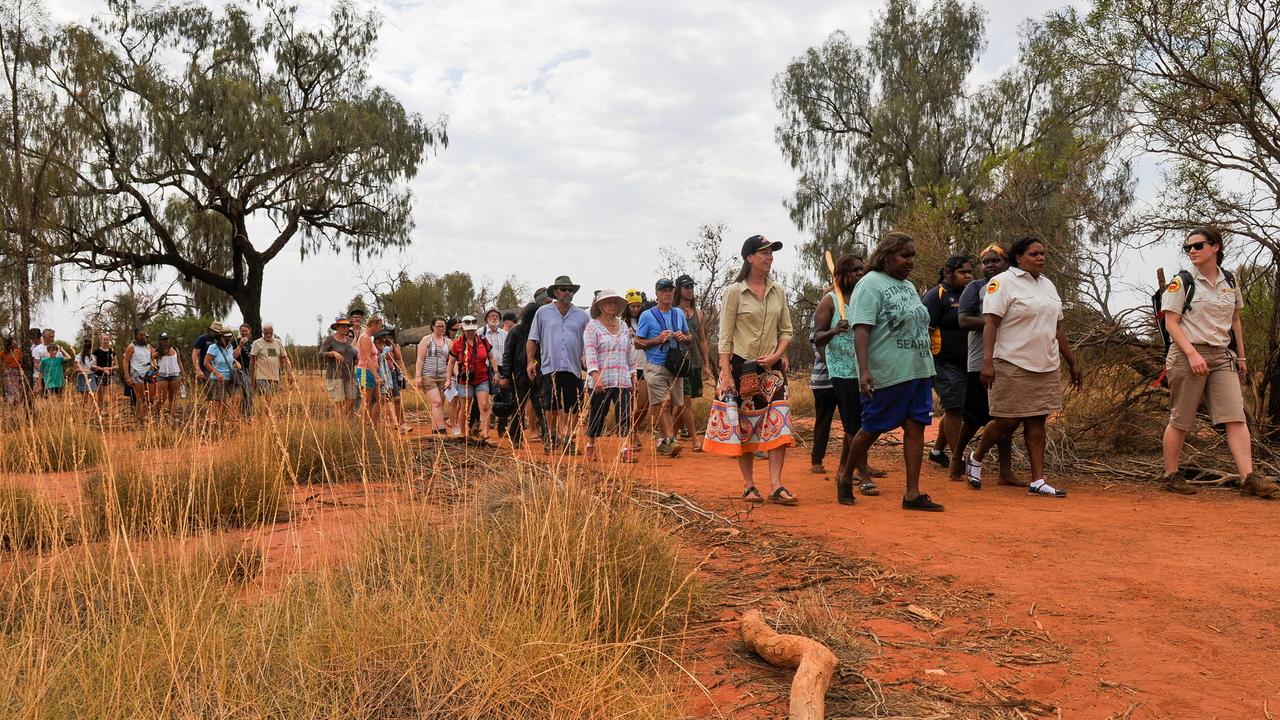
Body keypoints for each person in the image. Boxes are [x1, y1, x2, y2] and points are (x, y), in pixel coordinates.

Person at [1159, 228, 1275, 498]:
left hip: (1222, 356)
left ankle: (1249, 478)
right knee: (1181, 418)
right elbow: (1171, 323)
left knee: (1235, 417)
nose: (1192, 251)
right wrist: (1191, 354)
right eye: (1188, 247)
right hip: (1188, 354)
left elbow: (1235, 321)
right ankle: (1171, 475)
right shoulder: (1182, 281)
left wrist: (1242, 356)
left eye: (1198, 246)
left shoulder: (1230, 281)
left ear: (1216, 247)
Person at [965, 236, 1082, 497]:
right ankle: (976, 456)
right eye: (1034, 254)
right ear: (1019, 258)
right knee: (1007, 420)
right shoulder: (1002, 283)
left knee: (1037, 420)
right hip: (1010, 361)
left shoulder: (1048, 285)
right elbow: (991, 324)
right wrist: (987, 362)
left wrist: (1072, 361)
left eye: (1043, 254)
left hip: (1045, 363)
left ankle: (1038, 480)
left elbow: (1058, 327)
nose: (1040, 258)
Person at [840, 232, 944, 511]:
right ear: (886, 257)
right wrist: (864, 371)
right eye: (904, 256)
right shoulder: (870, 284)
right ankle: (846, 475)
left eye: (912, 256)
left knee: (916, 426)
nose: (910, 261)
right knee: (873, 427)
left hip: (918, 369)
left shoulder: (909, 286)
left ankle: (912, 493)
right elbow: (861, 329)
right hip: (888, 371)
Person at [705, 235, 797, 504]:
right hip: (740, 366)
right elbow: (725, 336)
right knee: (744, 425)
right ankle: (749, 485)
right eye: (763, 253)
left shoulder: (777, 291)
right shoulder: (735, 292)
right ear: (749, 258)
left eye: (771, 253)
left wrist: (778, 355)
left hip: (773, 368)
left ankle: (777, 485)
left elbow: (787, 330)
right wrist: (725, 372)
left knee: (779, 423)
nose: (769, 257)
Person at [948, 244, 1016, 487]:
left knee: (1004, 417)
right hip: (981, 362)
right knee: (975, 417)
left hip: (1009, 359)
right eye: (986, 262)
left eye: (995, 261)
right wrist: (995, 322)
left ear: (1007, 263)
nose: (990, 266)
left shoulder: (1015, 285)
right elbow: (964, 320)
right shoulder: (974, 288)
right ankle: (957, 456)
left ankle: (1005, 471)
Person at [814, 254, 877, 503]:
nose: (860, 274)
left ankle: (844, 469)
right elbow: (817, 337)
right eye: (854, 271)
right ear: (842, 275)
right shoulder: (830, 301)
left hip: (866, 369)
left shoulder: (866, 297)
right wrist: (834, 330)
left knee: (863, 424)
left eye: (862, 270)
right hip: (842, 370)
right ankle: (860, 472)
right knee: (854, 425)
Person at [526, 275, 590, 454]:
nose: (567, 293)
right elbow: (533, 339)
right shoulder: (543, 313)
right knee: (550, 405)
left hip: (573, 366)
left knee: (573, 405)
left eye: (570, 290)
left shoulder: (582, 316)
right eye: (563, 289)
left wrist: (586, 355)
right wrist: (531, 362)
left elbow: (589, 341)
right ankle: (551, 435)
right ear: (555, 292)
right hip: (549, 366)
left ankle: (568, 437)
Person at [922, 254, 974, 469]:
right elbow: (924, 330)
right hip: (942, 362)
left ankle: (936, 452)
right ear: (948, 273)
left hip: (968, 362)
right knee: (954, 409)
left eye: (970, 272)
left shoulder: (970, 294)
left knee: (957, 408)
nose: (968, 276)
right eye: (963, 272)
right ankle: (957, 458)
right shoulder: (936, 296)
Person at [635, 278, 691, 458]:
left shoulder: (678, 314)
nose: (668, 293)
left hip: (675, 366)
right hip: (655, 365)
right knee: (663, 402)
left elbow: (690, 337)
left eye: (670, 290)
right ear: (657, 293)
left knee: (674, 404)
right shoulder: (647, 315)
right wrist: (657, 340)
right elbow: (637, 342)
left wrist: (684, 337)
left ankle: (661, 441)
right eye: (664, 290)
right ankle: (670, 440)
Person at [583, 290, 637, 462]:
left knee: (625, 414)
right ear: (600, 305)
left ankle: (625, 448)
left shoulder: (623, 326)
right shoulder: (592, 327)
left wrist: (633, 373)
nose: (612, 305)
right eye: (608, 302)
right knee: (598, 414)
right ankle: (591, 444)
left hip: (622, 378)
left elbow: (629, 351)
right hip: (601, 379)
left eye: (615, 302)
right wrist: (595, 375)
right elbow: (590, 353)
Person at [673, 274, 713, 452]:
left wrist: (706, 364)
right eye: (686, 287)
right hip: (681, 363)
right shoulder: (674, 312)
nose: (689, 290)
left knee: (684, 404)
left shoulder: (699, 313)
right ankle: (695, 440)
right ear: (679, 290)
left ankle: (668, 438)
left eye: (691, 287)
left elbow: (703, 340)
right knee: (685, 402)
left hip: (696, 361)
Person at [500, 302, 546, 448]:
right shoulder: (516, 331)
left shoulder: (542, 332)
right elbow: (507, 354)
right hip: (519, 376)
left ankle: (548, 439)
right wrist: (506, 376)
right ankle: (515, 439)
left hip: (539, 375)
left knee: (541, 408)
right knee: (518, 408)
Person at [449, 315, 498, 442]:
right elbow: (451, 362)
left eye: (472, 330)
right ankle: (463, 435)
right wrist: (448, 379)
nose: (470, 332)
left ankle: (485, 435)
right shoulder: (457, 343)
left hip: (482, 378)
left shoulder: (482, 340)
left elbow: (492, 357)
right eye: (468, 330)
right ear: (463, 330)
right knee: (465, 408)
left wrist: (496, 372)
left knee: (484, 406)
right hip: (464, 380)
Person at [623, 290, 651, 451]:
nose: (635, 309)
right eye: (632, 306)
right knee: (628, 403)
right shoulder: (622, 323)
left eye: (638, 306)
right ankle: (629, 434)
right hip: (628, 367)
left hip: (643, 365)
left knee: (643, 404)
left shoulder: (645, 320)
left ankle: (634, 428)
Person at [415, 316, 452, 434]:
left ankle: (434, 430)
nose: (440, 328)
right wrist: (418, 376)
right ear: (432, 327)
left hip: (443, 376)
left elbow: (451, 361)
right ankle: (442, 430)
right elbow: (420, 359)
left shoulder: (448, 342)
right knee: (436, 402)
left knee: (439, 404)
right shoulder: (426, 340)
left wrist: (451, 377)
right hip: (428, 375)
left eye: (443, 326)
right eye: (438, 326)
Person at [319, 316, 358, 419]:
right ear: (337, 327)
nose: (345, 328)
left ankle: (340, 420)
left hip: (349, 375)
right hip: (335, 375)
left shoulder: (349, 340)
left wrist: (356, 358)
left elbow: (352, 354)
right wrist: (332, 353)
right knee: (339, 403)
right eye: (343, 326)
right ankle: (341, 424)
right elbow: (321, 353)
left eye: (347, 326)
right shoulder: (330, 339)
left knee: (352, 398)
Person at [249, 323, 291, 414]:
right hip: (262, 376)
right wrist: (251, 376)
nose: (268, 335)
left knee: (270, 398)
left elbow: (284, 358)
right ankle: (268, 415)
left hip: (274, 376)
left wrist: (289, 374)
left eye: (270, 333)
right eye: (266, 333)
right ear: (262, 332)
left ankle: (267, 415)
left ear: (273, 332)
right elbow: (252, 360)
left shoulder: (278, 342)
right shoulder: (257, 343)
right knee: (267, 397)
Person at [203, 327, 239, 424]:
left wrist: (236, 362)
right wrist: (217, 373)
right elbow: (206, 363)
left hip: (230, 377)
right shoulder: (213, 348)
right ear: (219, 338)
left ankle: (232, 417)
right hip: (218, 378)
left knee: (236, 397)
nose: (227, 341)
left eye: (229, 339)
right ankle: (218, 419)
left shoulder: (230, 347)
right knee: (220, 400)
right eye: (226, 338)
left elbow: (231, 358)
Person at [354, 315, 385, 426]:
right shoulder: (365, 338)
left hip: (371, 371)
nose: (380, 330)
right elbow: (367, 357)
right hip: (364, 371)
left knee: (382, 399)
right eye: (379, 326)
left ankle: (372, 425)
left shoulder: (368, 338)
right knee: (365, 401)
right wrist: (376, 376)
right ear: (373, 325)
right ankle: (359, 428)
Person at [124, 330, 155, 417]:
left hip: (149, 372)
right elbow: (126, 361)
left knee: (151, 397)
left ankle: (145, 415)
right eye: (141, 335)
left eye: (144, 335)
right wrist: (127, 377)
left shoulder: (148, 346)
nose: (143, 336)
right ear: (136, 336)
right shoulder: (131, 347)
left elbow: (155, 355)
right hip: (136, 373)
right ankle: (139, 418)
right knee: (140, 398)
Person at [152, 333, 182, 417]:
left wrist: (182, 373)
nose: (166, 341)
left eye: (167, 339)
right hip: (162, 375)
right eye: (164, 340)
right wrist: (155, 366)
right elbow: (152, 358)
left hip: (174, 374)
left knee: (172, 396)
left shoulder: (175, 349)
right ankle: (157, 413)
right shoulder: (158, 351)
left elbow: (179, 361)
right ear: (160, 341)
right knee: (162, 397)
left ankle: (171, 414)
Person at [92, 334, 117, 405]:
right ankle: (101, 412)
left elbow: (117, 366)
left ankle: (113, 412)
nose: (106, 341)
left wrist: (108, 368)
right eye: (104, 339)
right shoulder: (96, 352)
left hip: (110, 375)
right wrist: (102, 369)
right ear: (101, 340)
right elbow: (94, 365)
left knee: (113, 395)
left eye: (107, 339)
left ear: (109, 340)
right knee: (100, 397)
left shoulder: (112, 352)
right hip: (100, 375)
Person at [73, 339, 97, 404]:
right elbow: (76, 369)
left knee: (93, 396)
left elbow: (95, 366)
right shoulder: (78, 356)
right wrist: (84, 370)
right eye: (90, 349)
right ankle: (83, 412)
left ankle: (91, 412)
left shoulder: (92, 356)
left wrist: (95, 367)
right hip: (82, 377)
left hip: (91, 376)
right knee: (85, 398)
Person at [2, 338, 23, 406]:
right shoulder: (2, 353)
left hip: (17, 373)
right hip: (8, 374)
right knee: (10, 390)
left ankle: (17, 406)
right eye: (13, 342)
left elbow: (21, 361)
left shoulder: (17, 352)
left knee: (19, 389)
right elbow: (2, 363)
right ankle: (11, 408)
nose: (15, 343)